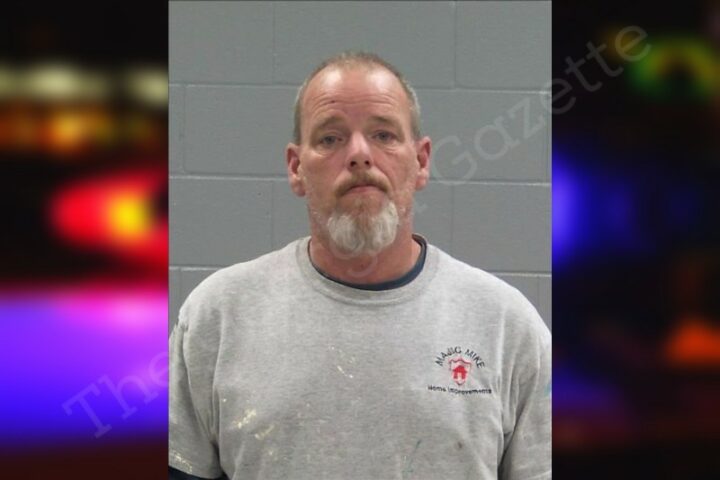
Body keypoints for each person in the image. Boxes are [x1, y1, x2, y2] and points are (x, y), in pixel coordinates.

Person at [169, 51, 551, 480]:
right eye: (330, 138)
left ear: (421, 161)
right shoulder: (218, 316)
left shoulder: (505, 325)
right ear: (296, 168)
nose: (359, 155)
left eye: (384, 135)